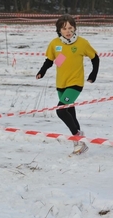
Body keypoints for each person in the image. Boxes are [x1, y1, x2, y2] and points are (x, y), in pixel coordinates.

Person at [36, 14, 99, 155]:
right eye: (64, 28)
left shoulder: (82, 43)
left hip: (75, 83)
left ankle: (78, 139)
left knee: (61, 110)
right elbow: (51, 60)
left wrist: (93, 74)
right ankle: (80, 139)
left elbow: (95, 58)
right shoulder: (55, 44)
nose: (68, 31)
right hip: (61, 83)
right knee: (70, 111)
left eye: (70, 28)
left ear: (75, 28)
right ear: (59, 30)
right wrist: (42, 71)